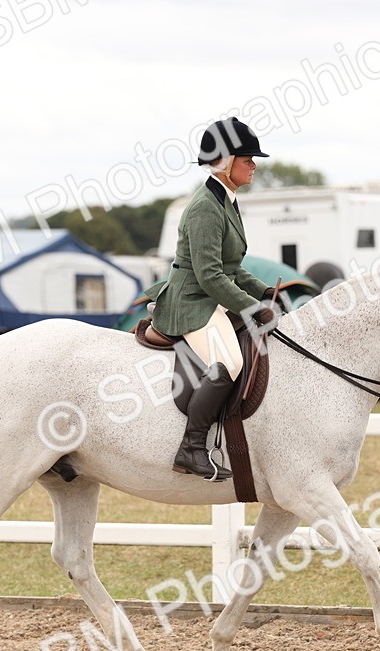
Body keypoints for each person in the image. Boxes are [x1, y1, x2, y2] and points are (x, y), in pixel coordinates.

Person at [146, 117, 277, 481]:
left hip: (210, 295)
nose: (254, 164)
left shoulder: (226, 200)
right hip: (192, 301)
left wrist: (264, 291)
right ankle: (191, 447)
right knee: (229, 363)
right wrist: (251, 308)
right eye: (247, 158)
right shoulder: (206, 205)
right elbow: (210, 275)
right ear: (224, 160)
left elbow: (231, 267)